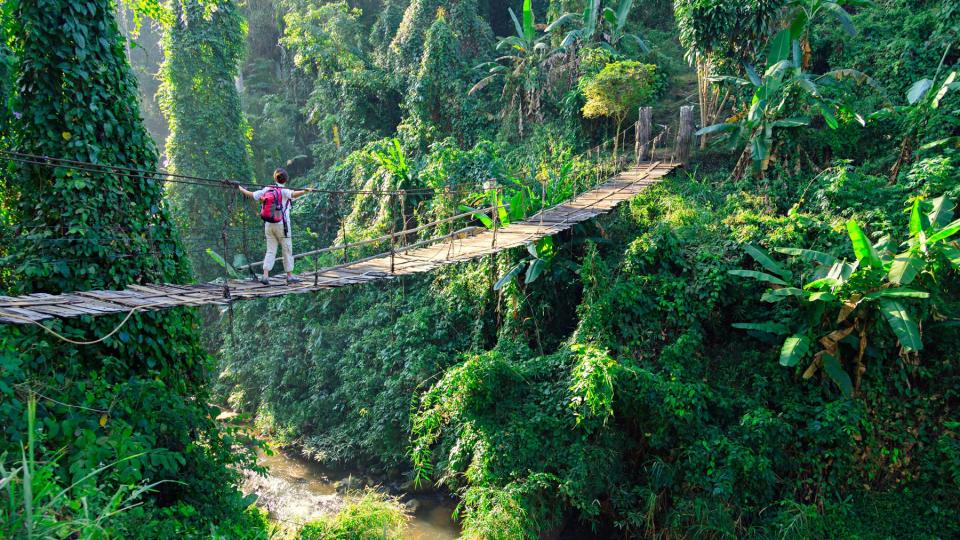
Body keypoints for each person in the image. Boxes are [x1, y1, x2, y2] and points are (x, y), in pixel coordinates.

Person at [238, 168, 310, 285]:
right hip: (282, 225)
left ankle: (265, 276)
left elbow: (251, 195)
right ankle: (290, 276)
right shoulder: (284, 190)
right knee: (286, 249)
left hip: (268, 225)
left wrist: (239, 188)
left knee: (270, 250)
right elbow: (293, 194)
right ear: (286, 179)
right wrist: (305, 191)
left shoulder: (268, 189)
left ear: (275, 178)